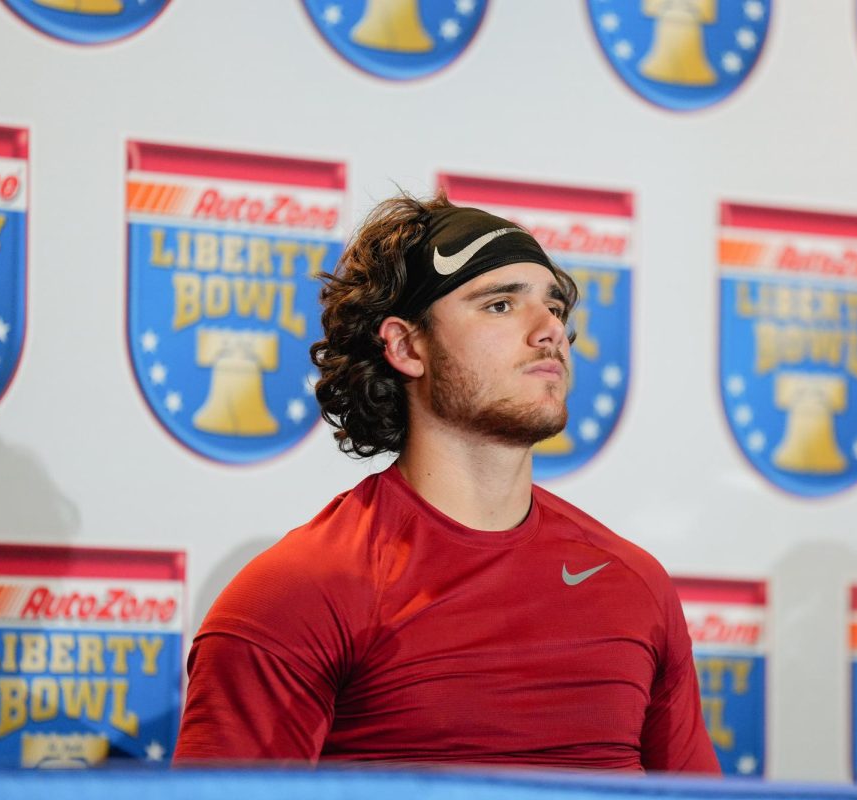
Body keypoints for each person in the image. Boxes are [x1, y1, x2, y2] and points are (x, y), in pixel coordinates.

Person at [174, 192, 719, 773]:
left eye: (554, 308)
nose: (549, 332)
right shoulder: (301, 592)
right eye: (501, 306)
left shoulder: (634, 584)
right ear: (407, 346)